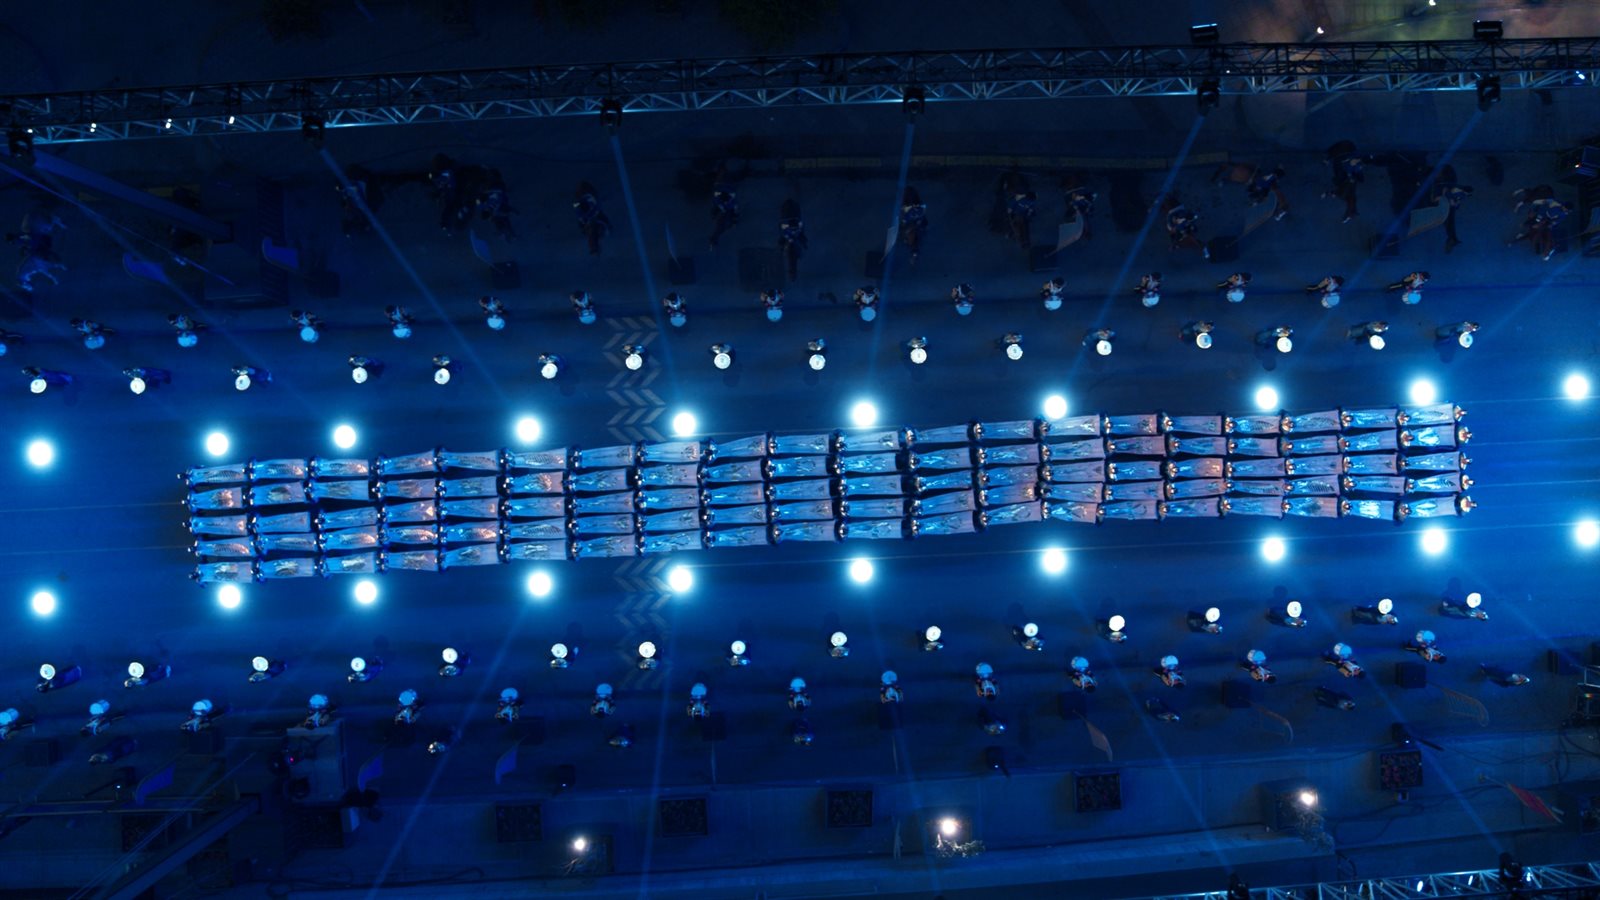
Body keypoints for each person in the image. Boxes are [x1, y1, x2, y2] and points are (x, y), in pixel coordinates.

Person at [1431, 165, 1473, 252]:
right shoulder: (1450, 186)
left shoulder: (1452, 188)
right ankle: (1452, 238)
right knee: (1448, 219)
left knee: (1449, 219)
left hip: (1447, 202)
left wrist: (1453, 203)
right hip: (1446, 201)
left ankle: (1452, 238)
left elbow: (1451, 196)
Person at [1322, 141, 1364, 223]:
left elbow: (1340, 194)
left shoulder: (1345, 194)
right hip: (1346, 167)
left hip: (1346, 168)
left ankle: (1351, 213)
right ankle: (1351, 213)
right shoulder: (1345, 194)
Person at [573, 181, 610, 255]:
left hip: (592, 216)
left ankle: (595, 247)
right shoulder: (581, 207)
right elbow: (576, 207)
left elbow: (596, 208)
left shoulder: (589, 201)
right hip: (590, 218)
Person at [708, 168, 740, 250]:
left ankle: (714, 239)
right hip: (723, 208)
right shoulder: (721, 193)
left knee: (722, 225)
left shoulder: (729, 197)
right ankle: (714, 239)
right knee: (721, 225)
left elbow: (733, 204)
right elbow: (717, 197)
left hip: (725, 209)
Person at [779, 199, 807, 281]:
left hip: (792, 235)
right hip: (791, 235)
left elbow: (799, 228)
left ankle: (792, 274)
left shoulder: (795, 223)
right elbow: (784, 228)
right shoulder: (788, 223)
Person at [899, 186, 928, 264]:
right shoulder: (907, 207)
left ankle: (914, 255)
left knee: (914, 239)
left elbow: (919, 216)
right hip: (913, 223)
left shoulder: (917, 207)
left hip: (916, 224)